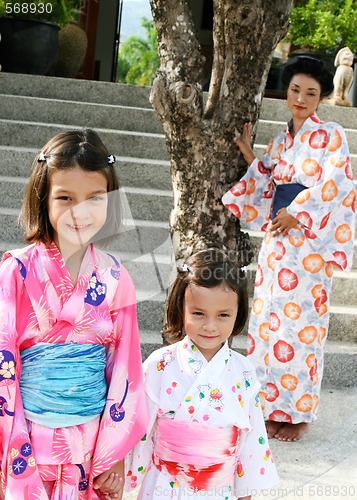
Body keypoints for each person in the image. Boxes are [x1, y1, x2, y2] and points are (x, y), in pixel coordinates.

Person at [0, 129, 148, 499]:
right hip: (25, 438)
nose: (80, 212)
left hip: (89, 443)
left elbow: (125, 368)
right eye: (65, 197)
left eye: (95, 199)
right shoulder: (14, 272)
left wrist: (113, 454)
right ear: (42, 198)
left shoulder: (116, 279)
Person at [222, 56, 356, 442]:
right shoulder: (283, 138)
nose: (301, 98)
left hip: (309, 247)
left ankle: (298, 414)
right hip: (276, 245)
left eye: (311, 93)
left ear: (321, 97)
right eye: (296, 90)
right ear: (288, 91)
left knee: (303, 330)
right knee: (268, 328)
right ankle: (267, 408)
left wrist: (298, 213)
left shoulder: (331, 134)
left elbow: (339, 184)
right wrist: (250, 153)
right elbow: (269, 173)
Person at [124, 248, 279, 499]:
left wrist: (245, 494)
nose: (209, 326)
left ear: (238, 313)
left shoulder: (244, 372)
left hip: (218, 489)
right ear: (180, 308)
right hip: (164, 485)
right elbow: (137, 425)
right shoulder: (160, 364)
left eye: (223, 315)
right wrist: (119, 468)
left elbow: (251, 441)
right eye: (198, 313)